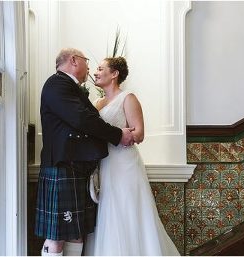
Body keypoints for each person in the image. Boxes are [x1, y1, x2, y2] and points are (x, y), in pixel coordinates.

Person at [35, 48, 136, 256]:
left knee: (75, 233)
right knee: (57, 236)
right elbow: (83, 120)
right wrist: (117, 135)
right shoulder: (57, 83)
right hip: (63, 166)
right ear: (73, 60)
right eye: (87, 61)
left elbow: (88, 120)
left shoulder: (70, 87)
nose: (90, 68)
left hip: (75, 166)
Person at [84, 57, 180, 255]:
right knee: (109, 211)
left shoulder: (128, 98)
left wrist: (118, 135)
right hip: (104, 163)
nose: (96, 72)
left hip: (124, 163)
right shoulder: (97, 102)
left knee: (127, 209)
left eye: (101, 69)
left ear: (114, 74)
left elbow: (139, 133)